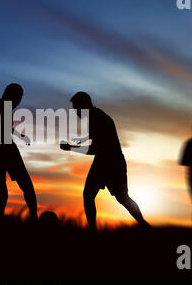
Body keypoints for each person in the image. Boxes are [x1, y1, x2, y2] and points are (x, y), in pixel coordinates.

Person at [60, 91, 149, 230]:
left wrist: (71, 147)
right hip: (109, 161)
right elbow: (94, 137)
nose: (75, 111)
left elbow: (94, 149)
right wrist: (78, 142)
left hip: (109, 162)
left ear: (84, 106)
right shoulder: (95, 116)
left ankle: (95, 232)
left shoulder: (96, 118)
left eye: (76, 108)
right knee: (117, 198)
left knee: (114, 197)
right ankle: (144, 226)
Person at [0, 83, 38, 220]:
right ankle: (35, 219)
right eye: (18, 98)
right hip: (1, 152)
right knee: (19, 190)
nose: (19, 102)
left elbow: (5, 128)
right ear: (11, 96)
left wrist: (20, 136)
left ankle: (34, 218)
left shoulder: (3, 107)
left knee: (5, 194)